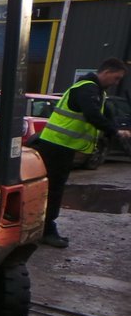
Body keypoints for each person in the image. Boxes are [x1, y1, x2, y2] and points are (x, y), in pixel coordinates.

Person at [36, 58, 131, 247]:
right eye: (116, 78)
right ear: (106, 72)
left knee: (52, 188)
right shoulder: (87, 89)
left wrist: (117, 131)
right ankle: (47, 230)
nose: (117, 83)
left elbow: (104, 116)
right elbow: (92, 115)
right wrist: (116, 132)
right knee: (53, 189)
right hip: (56, 145)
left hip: (62, 146)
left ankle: (42, 226)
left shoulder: (96, 91)